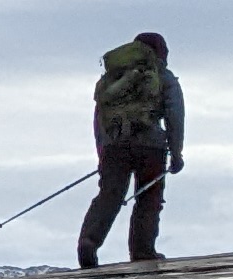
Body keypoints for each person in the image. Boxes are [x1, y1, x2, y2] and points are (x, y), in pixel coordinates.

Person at [77, 32, 186, 266]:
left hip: (115, 147)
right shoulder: (164, 78)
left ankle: (89, 241)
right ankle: (142, 251)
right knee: (149, 198)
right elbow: (175, 116)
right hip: (151, 147)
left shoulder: (111, 80)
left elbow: (100, 120)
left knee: (109, 196)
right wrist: (176, 154)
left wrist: (102, 153)